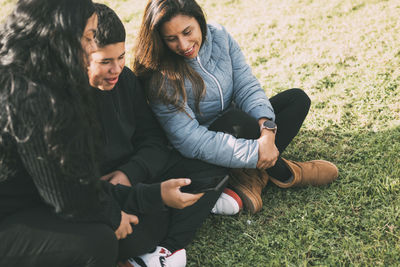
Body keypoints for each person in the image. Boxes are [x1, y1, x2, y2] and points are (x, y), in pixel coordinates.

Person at [0, 1, 200, 266]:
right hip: (15, 216)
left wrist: (147, 193)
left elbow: (74, 182)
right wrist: (116, 215)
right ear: (60, 36)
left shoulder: (44, 77)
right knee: (98, 242)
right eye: (88, 37)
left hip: (40, 201)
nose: (93, 46)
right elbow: (65, 194)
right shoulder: (31, 93)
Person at [133, 0, 339, 214]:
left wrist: (267, 132)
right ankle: (286, 173)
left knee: (296, 100)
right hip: (204, 149)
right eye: (171, 39)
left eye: (187, 32)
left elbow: (246, 86)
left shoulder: (220, 36)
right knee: (237, 121)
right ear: (160, 39)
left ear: (199, 20)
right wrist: (254, 152)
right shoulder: (160, 77)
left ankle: (252, 177)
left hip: (241, 127)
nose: (184, 45)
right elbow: (190, 140)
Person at [87, 4, 241, 267]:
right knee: (130, 236)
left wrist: (130, 173)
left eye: (121, 57)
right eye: (105, 61)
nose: (116, 69)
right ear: (82, 56)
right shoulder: (63, 103)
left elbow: (153, 140)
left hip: (139, 176)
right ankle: (169, 236)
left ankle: (167, 237)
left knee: (213, 163)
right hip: (102, 198)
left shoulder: (125, 79)